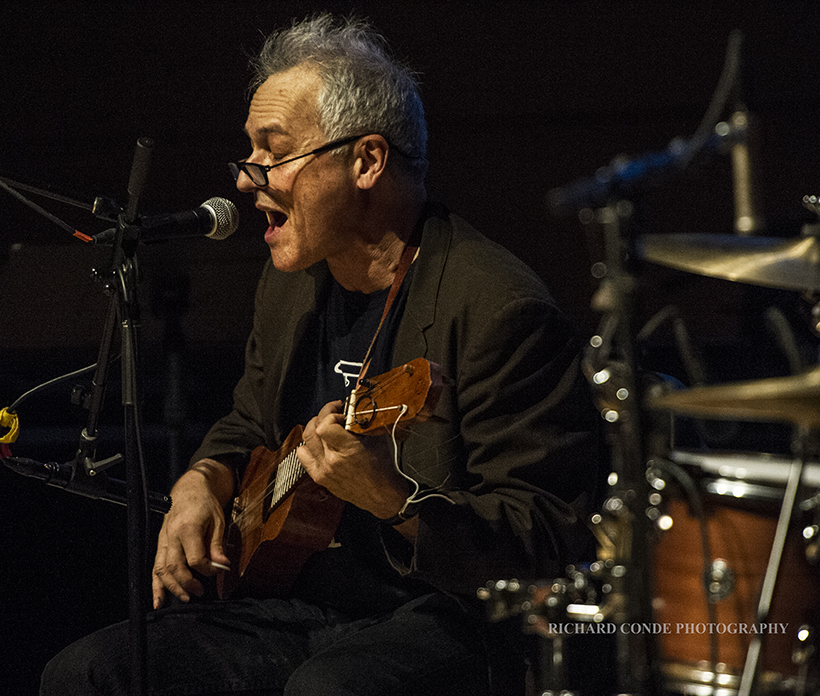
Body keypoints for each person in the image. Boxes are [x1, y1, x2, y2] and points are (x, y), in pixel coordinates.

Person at [41, 13, 604, 695]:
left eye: (270, 153)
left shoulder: (498, 306)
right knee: (91, 672)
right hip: (294, 607)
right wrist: (202, 481)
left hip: (446, 616)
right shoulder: (290, 285)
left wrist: (395, 499)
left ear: (366, 161)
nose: (247, 183)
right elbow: (248, 423)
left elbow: (547, 537)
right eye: (246, 156)